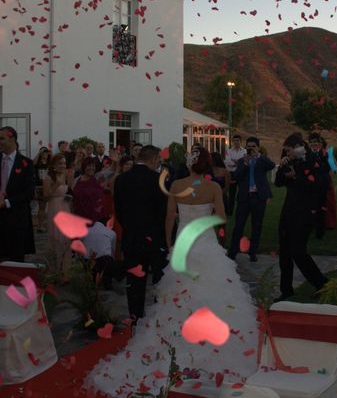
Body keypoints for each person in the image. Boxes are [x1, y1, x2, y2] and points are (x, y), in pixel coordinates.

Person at [86, 147, 258, 395]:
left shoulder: (175, 185)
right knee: (214, 288)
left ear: (189, 164)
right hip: (205, 241)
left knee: (176, 290)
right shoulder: (213, 188)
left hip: (180, 242)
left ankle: (162, 334)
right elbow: (221, 217)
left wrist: (169, 240)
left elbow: (168, 217)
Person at [0, 126, 36, 302]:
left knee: (15, 261)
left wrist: (7, 202)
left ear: (13, 140)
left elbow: (28, 192)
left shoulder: (26, 163)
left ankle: (15, 299)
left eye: (2, 138)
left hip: (16, 220)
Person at [112, 145, 167, 322]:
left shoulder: (121, 179)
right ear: (152, 159)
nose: (159, 163)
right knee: (160, 281)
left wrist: (130, 227)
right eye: (158, 160)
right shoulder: (158, 179)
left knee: (134, 284)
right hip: (155, 238)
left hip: (132, 237)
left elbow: (118, 210)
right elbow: (163, 212)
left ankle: (135, 319)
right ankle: (160, 318)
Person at [274, 134, 329, 301]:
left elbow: (318, 187)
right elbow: (278, 182)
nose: (287, 154)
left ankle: (321, 283)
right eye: (286, 152)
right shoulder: (289, 160)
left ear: (299, 146)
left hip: (306, 212)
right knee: (284, 252)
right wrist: (281, 168)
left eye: (289, 151)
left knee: (298, 251)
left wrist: (296, 178)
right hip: (289, 211)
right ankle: (286, 289)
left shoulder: (315, 161)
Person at [227, 137, 275, 262]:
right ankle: (233, 251)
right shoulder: (243, 160)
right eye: (249, 146)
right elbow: (236, 176)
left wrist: (258, 156)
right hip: (244, 197)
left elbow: (272, 165)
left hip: (259, 197)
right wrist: (244, 164)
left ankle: (253, 252)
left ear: (258, 147)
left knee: (257, 225)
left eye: (253, 146)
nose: (251, 148)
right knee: (239, 225)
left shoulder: (261, 160)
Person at [43, 153, 74, 282]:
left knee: (67, 240)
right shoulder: (49, 178)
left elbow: (70, 191)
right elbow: (45, 197)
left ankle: (65, 271)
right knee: (56, 238)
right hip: (54, 208)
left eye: (64, 163)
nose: (63, 166)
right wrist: (55, 185)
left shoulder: (67, 175)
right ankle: (54, 269)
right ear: (54, 165)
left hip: (66, 208)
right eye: (60, 163)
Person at [309, 133, 331, 240]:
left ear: (319, 143)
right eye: (312, 142)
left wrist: (319, 165)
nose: (313, 144)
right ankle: (310, 227)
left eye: (315, 142)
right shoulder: (308, 154)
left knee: (321, 208)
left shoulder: (324, 154)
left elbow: (327, 168)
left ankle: (320, 232)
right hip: (310, 185)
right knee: (310, 207)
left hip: (322, 185)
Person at [71, 157, 104, 224]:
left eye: (93, 166)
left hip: (94, 216)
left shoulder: (97, 179)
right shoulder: (77, 180)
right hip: (79, 214)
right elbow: (71, 196)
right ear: (84, 167)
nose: (91, 168)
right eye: (89, 166)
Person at [224, 134, 246, 217]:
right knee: (231, 194)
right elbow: (227, 162)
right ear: (232, 142)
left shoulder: (244, 151)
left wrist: (236, 162)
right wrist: (238, 162)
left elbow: (244, 163)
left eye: (237, 140)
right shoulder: (229, 151)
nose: (236, 142)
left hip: (242, 174)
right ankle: (230, 212)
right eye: (234, 141)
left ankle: (242, 211)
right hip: (232, 174)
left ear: (240, 141)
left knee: (242, 193)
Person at [33, 147, 51, 233]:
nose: (45, 154)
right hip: (39, 186)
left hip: (48, 186)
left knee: (46, 206)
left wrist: (49, 154)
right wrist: (40, 153)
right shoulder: (38, 162)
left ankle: (43, 224)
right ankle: (40, 225)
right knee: (41, 206)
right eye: (43, 152)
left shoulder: (49, 162)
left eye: (46, 152)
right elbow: (32, 163)